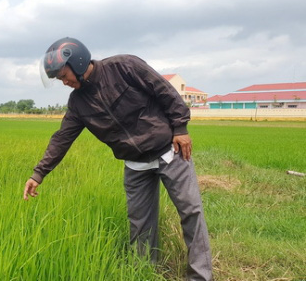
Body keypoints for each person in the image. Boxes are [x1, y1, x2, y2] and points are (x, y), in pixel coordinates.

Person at [23, 37, 213, 281]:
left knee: (191, 213)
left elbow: (164, 91)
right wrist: (38, 174)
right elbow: (62, 138)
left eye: (63, 75)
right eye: (59, 79)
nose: (64, 82)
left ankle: (200, 276)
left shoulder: (124, 66)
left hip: (170, 152)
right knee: (140, 226)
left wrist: (180, 128)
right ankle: (144, 273)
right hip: (135, 165)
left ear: (78, 62)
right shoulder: (78, 103)